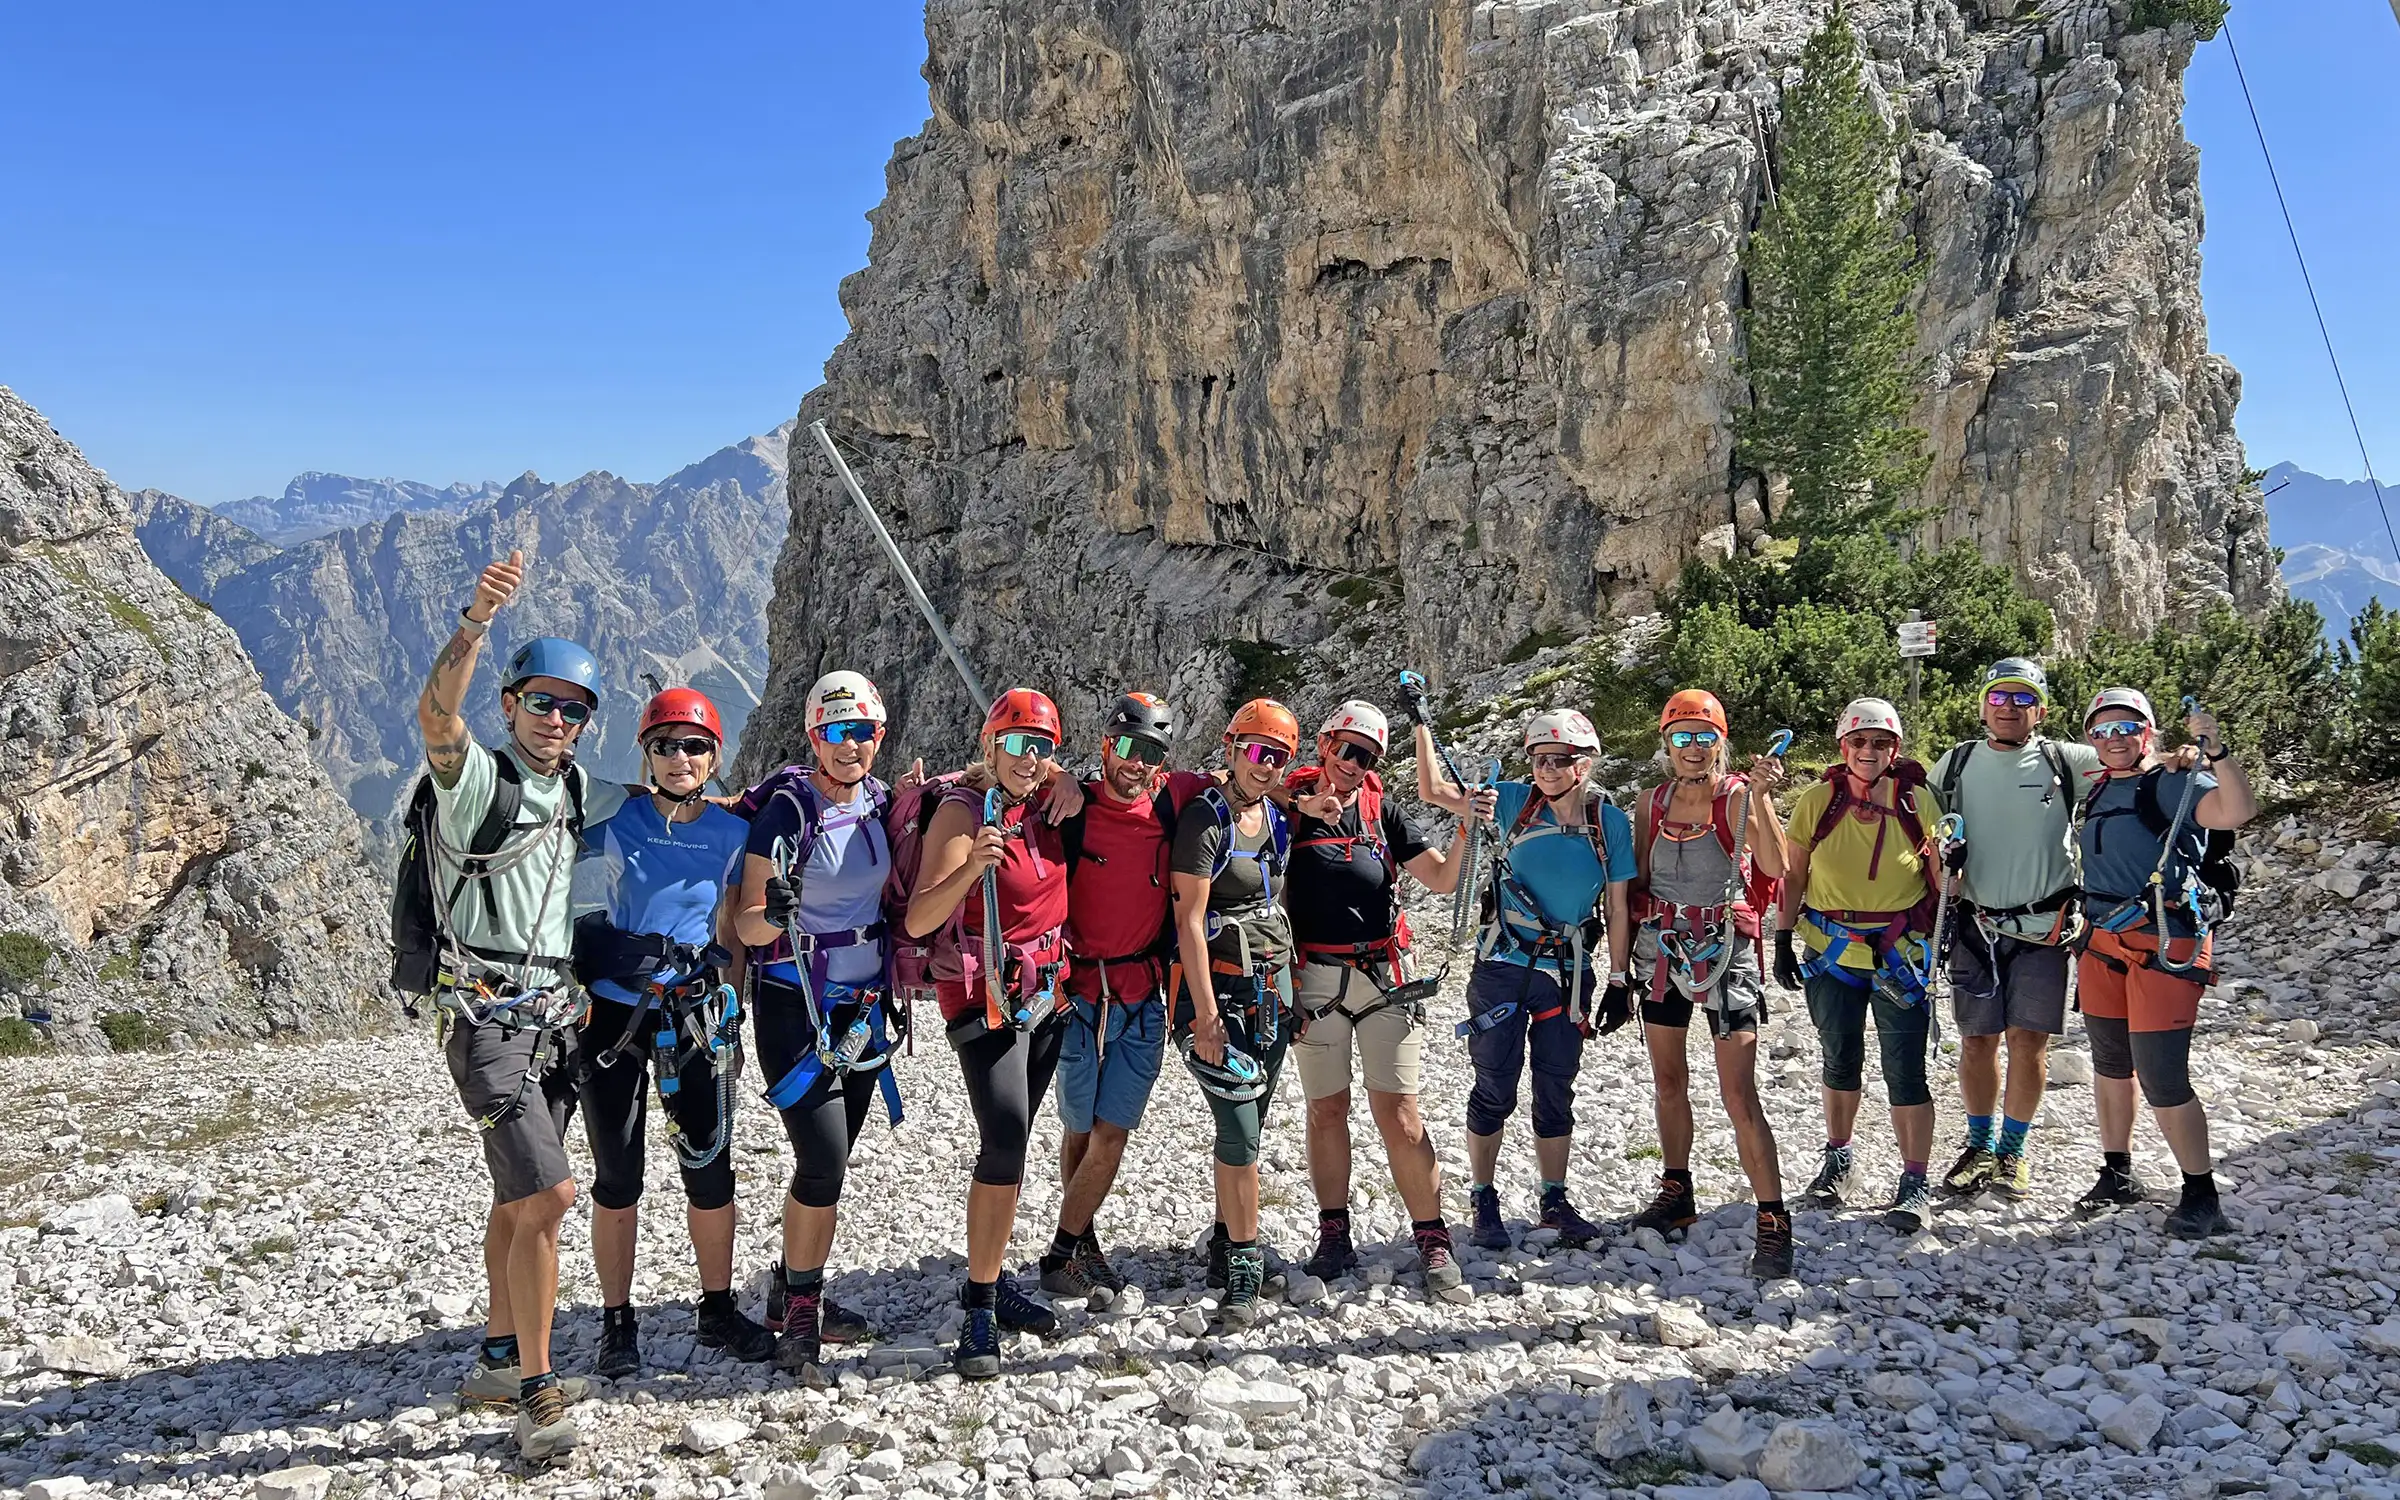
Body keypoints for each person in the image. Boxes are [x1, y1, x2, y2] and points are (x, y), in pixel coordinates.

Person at [414, 550, 627, 1463]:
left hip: (549, 1022)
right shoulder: (477, 786)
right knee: (550, 1193)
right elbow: (435, 717)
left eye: (573, 709)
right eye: (540, 702)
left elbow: (669, 801)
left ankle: (501, 1357)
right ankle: (537, 1392)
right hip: (488, 1019)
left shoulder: (575, 788)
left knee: (515, 1194)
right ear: (509, 706)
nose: (555, 720)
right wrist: (473, 625)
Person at [574, 687, 775, 1377]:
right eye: (665, 744)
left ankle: (717, 1309)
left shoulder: (730, 833)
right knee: (617, 1176)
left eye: (694, 746)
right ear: (647, 752)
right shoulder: (616, 816)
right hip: (613, 1016)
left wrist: (735, 1008)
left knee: (709, 1169)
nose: (680, 757)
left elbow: (733, 929)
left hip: (695, 1014)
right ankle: (616, 1324)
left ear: (713, 755)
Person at [730, 671, 907, 1373]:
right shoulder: (786, 811)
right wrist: (772, 911)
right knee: (823, 1160)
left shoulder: (881, 803)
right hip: (793, 1006)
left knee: (829, 1162)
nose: (850, 745)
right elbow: (747, 924)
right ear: (813, 737)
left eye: (862, 731)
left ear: (878, 738)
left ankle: (788, 1288)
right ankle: (802, 1304)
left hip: (861, 1012)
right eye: (836, 732)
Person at [906, 688, 1074, 1379]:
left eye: (1042, 747)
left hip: (1045, 995)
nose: (1029, 759)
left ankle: (994, 1275)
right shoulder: (959, 812)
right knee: (1004, 1134)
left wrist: (1075, 789)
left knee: (1015, 1139)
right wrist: (973, 863)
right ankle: (979, 1301)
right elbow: (919, 920)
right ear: (989, 746)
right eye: (1017, 743)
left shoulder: (1052, 803)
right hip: (981, 996)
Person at [1284, 700, 1478, 1295]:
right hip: (1313, 978)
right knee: (1327, 1109)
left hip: (1384, 976)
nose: (1351, 762)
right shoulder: (1282, 807)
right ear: (1323, 744)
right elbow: (1226, 793)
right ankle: (1334, 1232)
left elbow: (1444, 879)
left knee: (1400, 1111)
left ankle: (1431, 1234)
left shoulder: (1381, 811)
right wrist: (1301, 807)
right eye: (1344, 748)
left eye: (1365, 755)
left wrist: (1467, 823)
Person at [1427, 708, 1634, 1253]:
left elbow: (1617, 904)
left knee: (1555, 1085)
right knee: (1495, 1084)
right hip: (1502, 968)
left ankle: (1554, 1199)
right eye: (1539, 759)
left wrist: (1618, 977)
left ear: (1584, 764)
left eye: (1559, 760)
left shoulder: (1609, 822)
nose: (1546, 768)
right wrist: (1422, 720)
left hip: (1566, 974)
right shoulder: (1510, 801)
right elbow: (1433, 789)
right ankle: (1483, 1196)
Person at [1040, 693, 1208, 1310]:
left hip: (1140, 996)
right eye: (1131, 747)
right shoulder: (1069, 805)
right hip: (1078, 993)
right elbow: (996, 775)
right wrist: (1059, 774)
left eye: (1154, 752)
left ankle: (1062, 1252)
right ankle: (1084, 1245)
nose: (1140, 763)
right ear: (1107, 744)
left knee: (1112, 1133)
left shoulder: (1173, 797)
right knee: (1079, 1128)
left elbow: (1248, 780)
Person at [2074, 689, 2255, 1238]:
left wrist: (2216, 752)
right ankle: (2117, 1172)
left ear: (2146, 732)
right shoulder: (2097, 788)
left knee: (2161, 1074)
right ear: (2090, 740)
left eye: (2127, 728)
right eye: (2102, 731)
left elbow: (2238, 811)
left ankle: (2202, 1194)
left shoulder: (2174, 781)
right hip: (2102, 940)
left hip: (2165, 942)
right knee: (2110, 1063)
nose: (2116, 739)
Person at [1627, 690, 1795, 1280]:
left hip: (1727, 954)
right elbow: (1639, 881)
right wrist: (1621, 967)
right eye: (1681, 737)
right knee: (1668, 1081)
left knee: (1738, 1094)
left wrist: (1763, 800)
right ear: (1666, 744)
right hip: (1663, 954)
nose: (1693, 749)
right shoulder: (1651, 802)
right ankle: (1677, 1192)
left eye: (1703, 737)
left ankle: (1773, 1220)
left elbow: (1776, 869)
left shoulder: (1739, 797)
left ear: (1720, 741)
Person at [1925, 660, 2099, 1203]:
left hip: (2043, 925)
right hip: (1975, 922)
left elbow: (2133, 762)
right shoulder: (1954, 765)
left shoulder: (2065, 760)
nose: (2008, 707)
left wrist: (2185, 754)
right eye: (1998, 697)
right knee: (1977, 1041)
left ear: (2041, 711)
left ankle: (2012, 1152)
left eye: (2022, 699)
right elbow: (1917, 824)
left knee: (2029, 1042)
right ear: (1982, 705)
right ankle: (1980, 1145)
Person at [1774, 697, 1945, 1234]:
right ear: (1842, 746)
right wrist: (1781, 935)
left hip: (1900, 953)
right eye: (1859, 742)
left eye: (1880, 743)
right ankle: (1839, 1157)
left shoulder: (1918, 800)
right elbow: (1794, 874)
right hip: (1831, 950)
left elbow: (1942, 876)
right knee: (1838, 1058)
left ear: (1894, 750)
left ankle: (1914, 1181)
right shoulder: (1816, 800)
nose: (1868, 751)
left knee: (1905, 1070)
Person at [1169, 699, 1303, 1327]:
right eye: (1255, 751)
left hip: (1271, 995)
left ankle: (1226, 1244)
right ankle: (1243, 1269)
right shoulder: (1205, 820)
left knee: (1253, 1121)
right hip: (1219, 998)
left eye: (1276, 756)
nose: (1265, 764)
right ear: (1230, 749)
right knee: (1240, 1133)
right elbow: (1188, 921)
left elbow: (1279, 906)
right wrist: (1203, 1015)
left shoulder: (1274, 818)